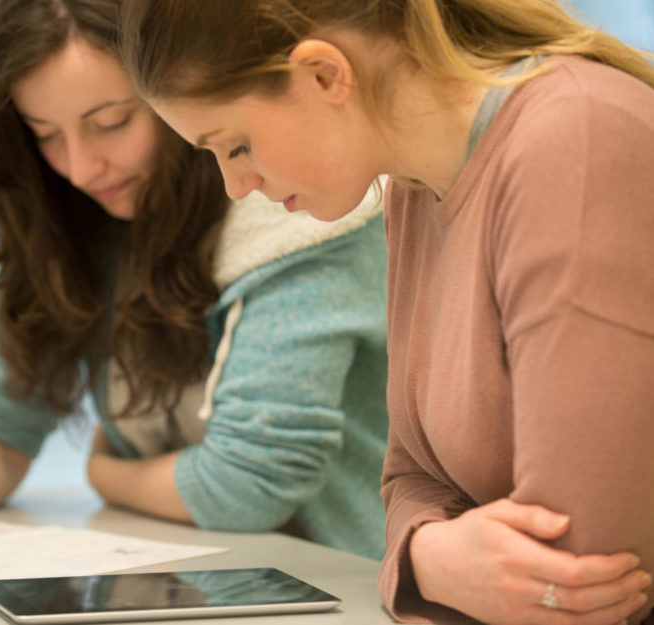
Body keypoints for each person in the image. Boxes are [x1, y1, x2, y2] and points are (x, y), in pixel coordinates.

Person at [118, 0, 654, 623]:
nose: (236, 186)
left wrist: (423, 557)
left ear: (324, 75)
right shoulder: (413, 189)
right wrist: (426, 556)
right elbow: (408, 478)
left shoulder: (575, 138)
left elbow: (581, 575)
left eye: (236, 146)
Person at [0, 0, 390, 561]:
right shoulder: (72, 219)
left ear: (180, 93)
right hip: (190, 575)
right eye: (45, 134)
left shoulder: (301, 208)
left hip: (340, 578)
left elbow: (248, 486)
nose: (81, 168)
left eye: (110, 123)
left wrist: (105, 474)